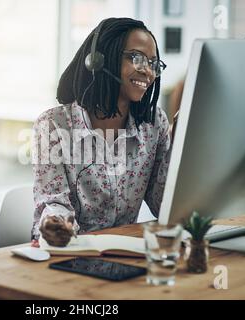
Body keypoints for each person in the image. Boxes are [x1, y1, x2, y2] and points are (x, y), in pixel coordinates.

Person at [31, 17, 176, 247]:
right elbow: (53, 202)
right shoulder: (53, 126)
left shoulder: (153, 124)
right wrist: (57, 223)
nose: (148, 71)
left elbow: (164, 207)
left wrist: (178, 153)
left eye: (154, 63)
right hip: (71, 260)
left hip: (127, 259)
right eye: (136, 58)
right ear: (99, 60)